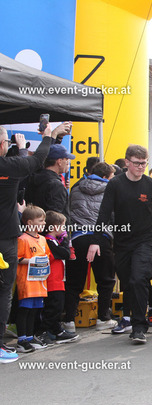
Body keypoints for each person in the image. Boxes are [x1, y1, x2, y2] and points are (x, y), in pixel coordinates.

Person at [88, 145, 152, 344]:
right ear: (127, 162)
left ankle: (139, 327)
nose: (141, 167)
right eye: (137, 163)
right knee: (128, 283)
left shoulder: (150, 185)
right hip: (122, 242)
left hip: (144, 240)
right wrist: (95, 240)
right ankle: (134, 319)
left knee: (138, 280)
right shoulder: (115, 184)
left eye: (144, 163)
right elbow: (104, 213)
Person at [0, 123, 69, 363]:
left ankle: (22, 336)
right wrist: (48, 136)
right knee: (4, 291)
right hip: (6, 237)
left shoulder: (11, 166)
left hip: (9, 237)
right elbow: (36, 160)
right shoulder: (9, 166)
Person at [66, 162, 117, 332]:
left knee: (74, 282)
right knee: (106, 280)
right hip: (101, 237)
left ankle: (69, 321)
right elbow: (113, 215)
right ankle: (103, 318)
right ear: (105, 176)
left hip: (78, 237)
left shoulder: (76, 187)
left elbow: (69, 210)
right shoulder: (111, 189)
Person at [15, 205, 51, 352]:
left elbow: (47, 255)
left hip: (40, 281)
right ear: (30, 222)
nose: (44, 223)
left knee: (35, 310)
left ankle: (30, 336)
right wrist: (31, 261)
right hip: (27, 281)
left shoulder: (42, 239)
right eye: (41, 221)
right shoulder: (23, 239)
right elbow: (17, 258)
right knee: (25, 309)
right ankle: (22, 339)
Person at [40, 210, 78, 344]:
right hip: (52, 281)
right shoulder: (49, 242)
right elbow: (65, 253)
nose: (64, 229)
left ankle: (56, 330)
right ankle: (45, 331)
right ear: (55, 227)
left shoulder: (55, 241)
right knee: (53, 308)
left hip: (58, 280)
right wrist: (65, 241)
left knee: (57, 307)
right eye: (62, 226)